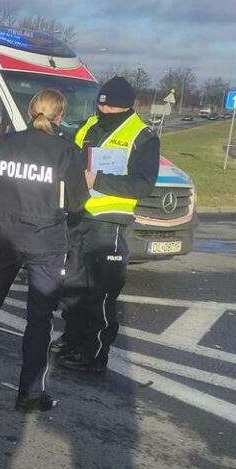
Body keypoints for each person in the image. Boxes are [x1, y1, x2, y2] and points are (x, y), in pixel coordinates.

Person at [0, 89, 88, 413]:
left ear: (30, 110)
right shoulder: (66, 151)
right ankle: (29, 394)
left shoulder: (7, 143)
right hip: (46, 244)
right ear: (60, 115)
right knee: (39, 320)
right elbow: (78, 203)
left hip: (5, 239)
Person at [54, 76, 160, 373]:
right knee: (73, 286)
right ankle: (72, 337)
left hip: (108, 223)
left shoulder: (142, 136)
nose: (104, 111)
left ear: (125, 106)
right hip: (78, 215)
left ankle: (94, 354)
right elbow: (72, 158)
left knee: (100, 292)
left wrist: (97, 180)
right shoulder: (89, 125)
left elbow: (143, 185)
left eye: (110, 107)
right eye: (101, 105)